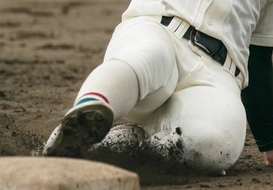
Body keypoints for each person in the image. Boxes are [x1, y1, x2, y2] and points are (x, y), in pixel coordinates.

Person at [42, 0, 273, 174]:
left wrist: (269, 139)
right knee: (146, 57)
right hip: (158, 29)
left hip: (218, 74)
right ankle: (85, 113)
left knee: (215, 142)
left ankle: (124, 145)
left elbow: (258, 59)